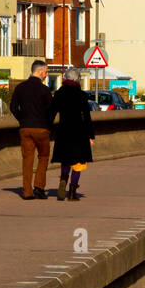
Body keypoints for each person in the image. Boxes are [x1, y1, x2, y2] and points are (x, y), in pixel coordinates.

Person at [9, 59, 52, 199]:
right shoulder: (45, 90)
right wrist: (47, 123)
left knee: (27, 159)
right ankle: (39, 187)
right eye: (45, 72)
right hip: (42, 128)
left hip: (25, 128)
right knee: (43, 157)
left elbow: (13, 107)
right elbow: (51, 111)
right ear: (39, 71)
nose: (46, 75)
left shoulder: (20, 87)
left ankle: (27, 192)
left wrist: (22, 119)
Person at [50, 68, 95, 200]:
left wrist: (47, 126)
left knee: (65, 159)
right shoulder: (81, 95)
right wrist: (90, 135)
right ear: (77, 79)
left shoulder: (59, 93)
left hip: (64, 131)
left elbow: (52, 112)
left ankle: (63, 179)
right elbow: (87, 117)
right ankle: (72, 192)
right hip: (79, 133)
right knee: (78, 163)